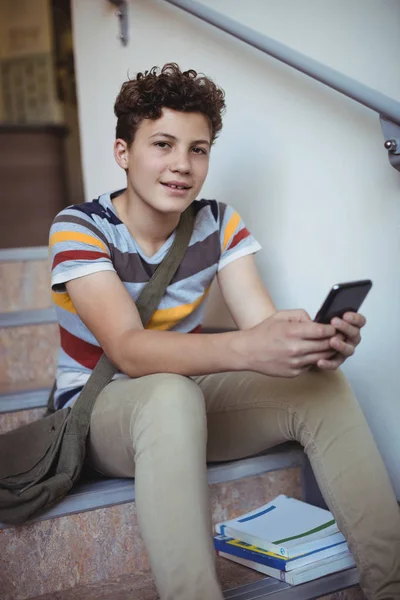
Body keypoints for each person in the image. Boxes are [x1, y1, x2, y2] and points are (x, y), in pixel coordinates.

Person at [49, 63, 400, 600]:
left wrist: (310, 346)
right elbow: (129, 350)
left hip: (184, 399)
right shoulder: (79, 227)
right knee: (167, 393)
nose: (182, 166)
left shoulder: (218, 222)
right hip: (101, 411)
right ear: (123, 153)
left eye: (198, 149)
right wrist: (247, 348)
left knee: (317, 385)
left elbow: (260, 328)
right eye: (163, 144)